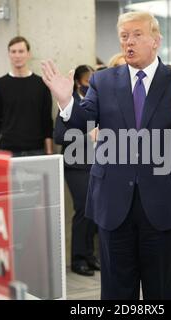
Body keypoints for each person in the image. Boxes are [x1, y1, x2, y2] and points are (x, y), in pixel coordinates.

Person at [42, 11, 171, 300]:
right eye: (124, 36)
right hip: (114, 201)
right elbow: (81, 122)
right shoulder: (103, 80)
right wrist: (67, 101)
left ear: (156, 40)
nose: (129, 42)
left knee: (164, 290)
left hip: (164, 200)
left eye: (137, 35)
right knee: (117, 290)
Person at [54, 65, 100, 277]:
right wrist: (88, 137)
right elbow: (59, 136)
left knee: (95, 212)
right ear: (80, 81)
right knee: (83, 209)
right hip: (77, 164)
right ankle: (78, 259)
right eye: (89, 79)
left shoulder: (100, 100)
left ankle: (90, 256)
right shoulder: (69, 101)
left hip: (99, 163)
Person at [0, 36, 54, 156]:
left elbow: (47, 120)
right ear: (9, 54)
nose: (17, 55)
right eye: (13, 52)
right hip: (8, 149)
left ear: (28, 54)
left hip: (36, 149)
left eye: (21, 51)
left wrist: (49, 151)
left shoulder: (41, 84)